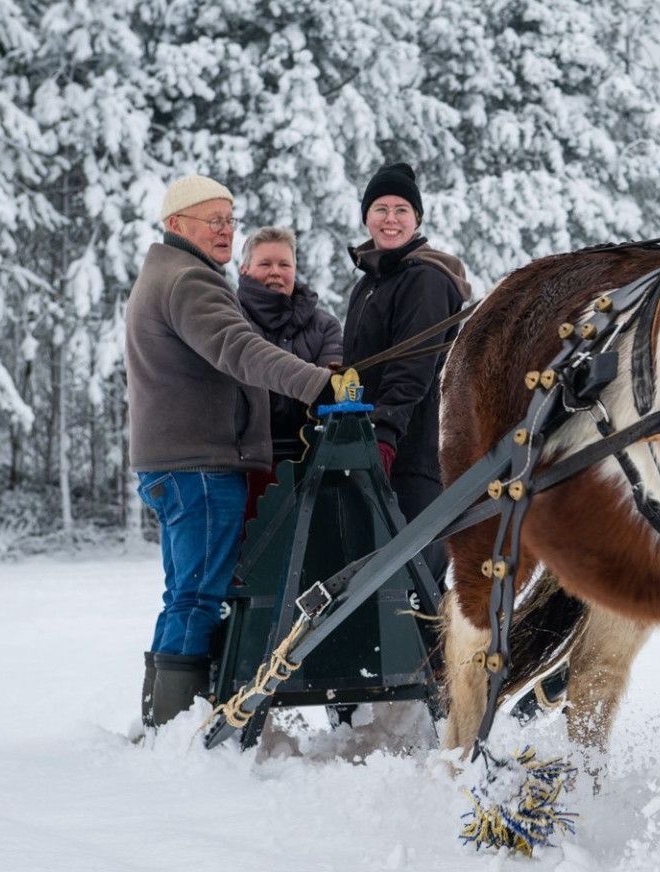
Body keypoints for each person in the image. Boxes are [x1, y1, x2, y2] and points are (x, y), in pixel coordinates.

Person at [126, 175, 351, 729]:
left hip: (180, 466)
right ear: (177, 226)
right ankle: (175, 727)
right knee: (199, 597)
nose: (225, 231)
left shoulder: (169, 273)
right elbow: (239, 347)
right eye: (213, 221)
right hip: (198, 467)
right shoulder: (189, 281)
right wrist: (317, 384)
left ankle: (164, 721)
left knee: (186, 594)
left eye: (230, 220)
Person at [342, 162, 471, 585]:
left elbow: (413, 364)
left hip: (416, 451)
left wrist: (384, 432)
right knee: (381, 580)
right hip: (379, 446)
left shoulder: (426, 279)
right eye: (381, 208)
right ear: (366, 217)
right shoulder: (369, 284)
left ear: (417, 219)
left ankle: (432, 652)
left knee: (415, 579)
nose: (391, 219)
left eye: (402, 210)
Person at [236, 226, 343, 466]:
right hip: (242, 462)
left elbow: (332, 391)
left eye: (284, 265)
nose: (275, 272)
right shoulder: (230, 320)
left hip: (310, 459)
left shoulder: (325, 326)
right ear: (244, 270)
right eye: (265, 264)